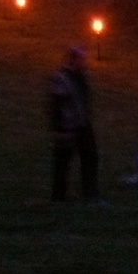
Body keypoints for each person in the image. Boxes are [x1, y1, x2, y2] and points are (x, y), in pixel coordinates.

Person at [48, 47, 101, 202]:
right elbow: (55, 105)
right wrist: (58, 129)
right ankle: (59, 196)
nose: (86, 62)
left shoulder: (81, 77)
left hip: (83, 125)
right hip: (68, 127)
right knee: (63, 162)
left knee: (90, 158)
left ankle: (90, 193)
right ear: (73, 59)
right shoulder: (61, 78)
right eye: (82, 59)